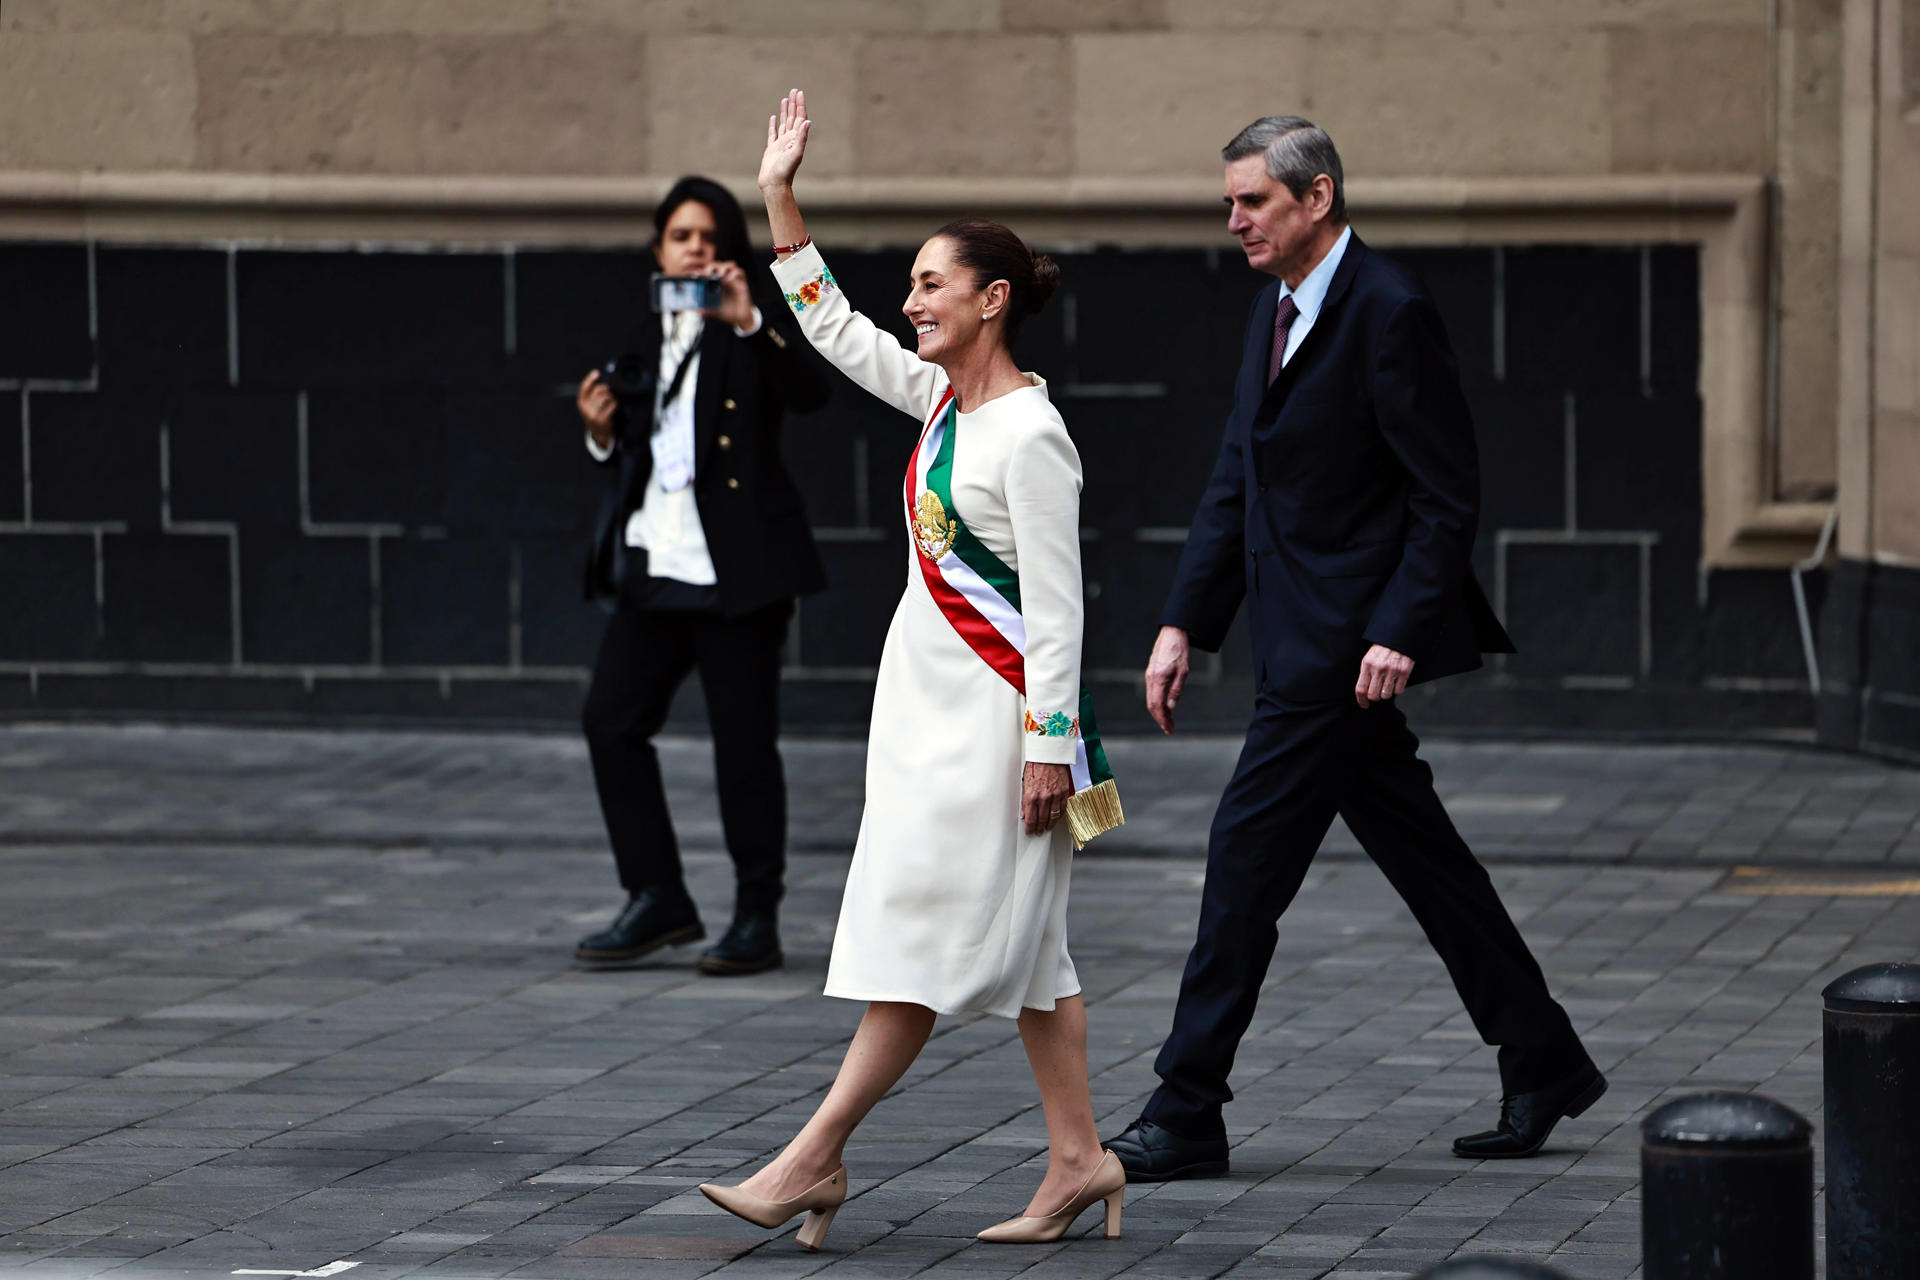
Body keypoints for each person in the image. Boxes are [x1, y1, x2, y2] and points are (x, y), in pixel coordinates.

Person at [1104, 117, 1605, 1181]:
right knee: (1429, 862)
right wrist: (1185, 619)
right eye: (1231, 201)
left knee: (1243, 862)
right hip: (1296, 640)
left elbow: (1443, 494)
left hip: (1338, 656)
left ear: (1317, 198)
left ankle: (1187, 1103)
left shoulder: (1389, 311)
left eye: (1254, 202)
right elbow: (1237, 478)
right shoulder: (1273, 311)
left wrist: (1397, 630)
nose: (1234, 219)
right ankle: (1544, 1053)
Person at [695, 90, 1127, 1252]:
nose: (912, 301)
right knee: (1034, 949)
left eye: (932, 284)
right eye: (913, 285)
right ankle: (1082, 1158)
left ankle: (812, 1156)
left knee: (928, 932)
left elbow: (1059, 609)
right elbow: (836, 328)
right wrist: (779, 198)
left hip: (994, 730)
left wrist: (1048, 745)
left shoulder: (1032, 435)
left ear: (992, 301)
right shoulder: (941, 401)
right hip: (926, 712)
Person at [571, 176, 829, 977]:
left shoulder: (751, 329)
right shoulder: (643, 337)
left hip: (738, 574)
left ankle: (757, 914)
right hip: (658, 565)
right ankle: (658, 896)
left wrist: (749, 318)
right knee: (611, 723)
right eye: (682, 237)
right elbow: (641, 456)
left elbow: (810, 394)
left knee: (744, 747)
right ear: (659, 249)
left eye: (711, 238)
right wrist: (600, 436)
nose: (696, 250)